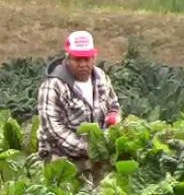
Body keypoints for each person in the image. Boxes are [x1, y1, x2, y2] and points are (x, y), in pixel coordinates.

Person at [36, 31, 121, 184]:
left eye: (87, 59)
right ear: (67, 58)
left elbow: (113, 104)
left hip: (94, 154)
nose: (83, 64)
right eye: (77, 59)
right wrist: (88, 149)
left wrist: (113, 116)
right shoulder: (53, 86)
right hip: (60, 156)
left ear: (94, 58)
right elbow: (53, 130)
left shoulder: (100, 77)